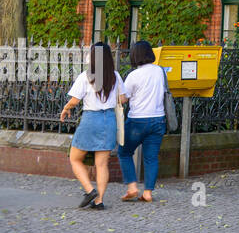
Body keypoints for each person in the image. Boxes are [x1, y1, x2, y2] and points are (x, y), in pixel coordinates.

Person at [59, 42, 125, 210]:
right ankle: (99, 201)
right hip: (109, 120)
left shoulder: (86, 76)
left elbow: (75, 100)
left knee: (75, 158)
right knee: (102, 164)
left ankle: (89, 190)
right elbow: (123, 99)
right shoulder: (115, 76)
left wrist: (66, 109)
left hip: (91, 119)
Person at [117, 41, 168, 203]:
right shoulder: (160, 71)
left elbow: (123, 99)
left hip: (137, 120)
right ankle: (148, 193)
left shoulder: (133, 76)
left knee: (124, 152)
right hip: (158, 119)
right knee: (151, 157)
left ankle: (132, 187)